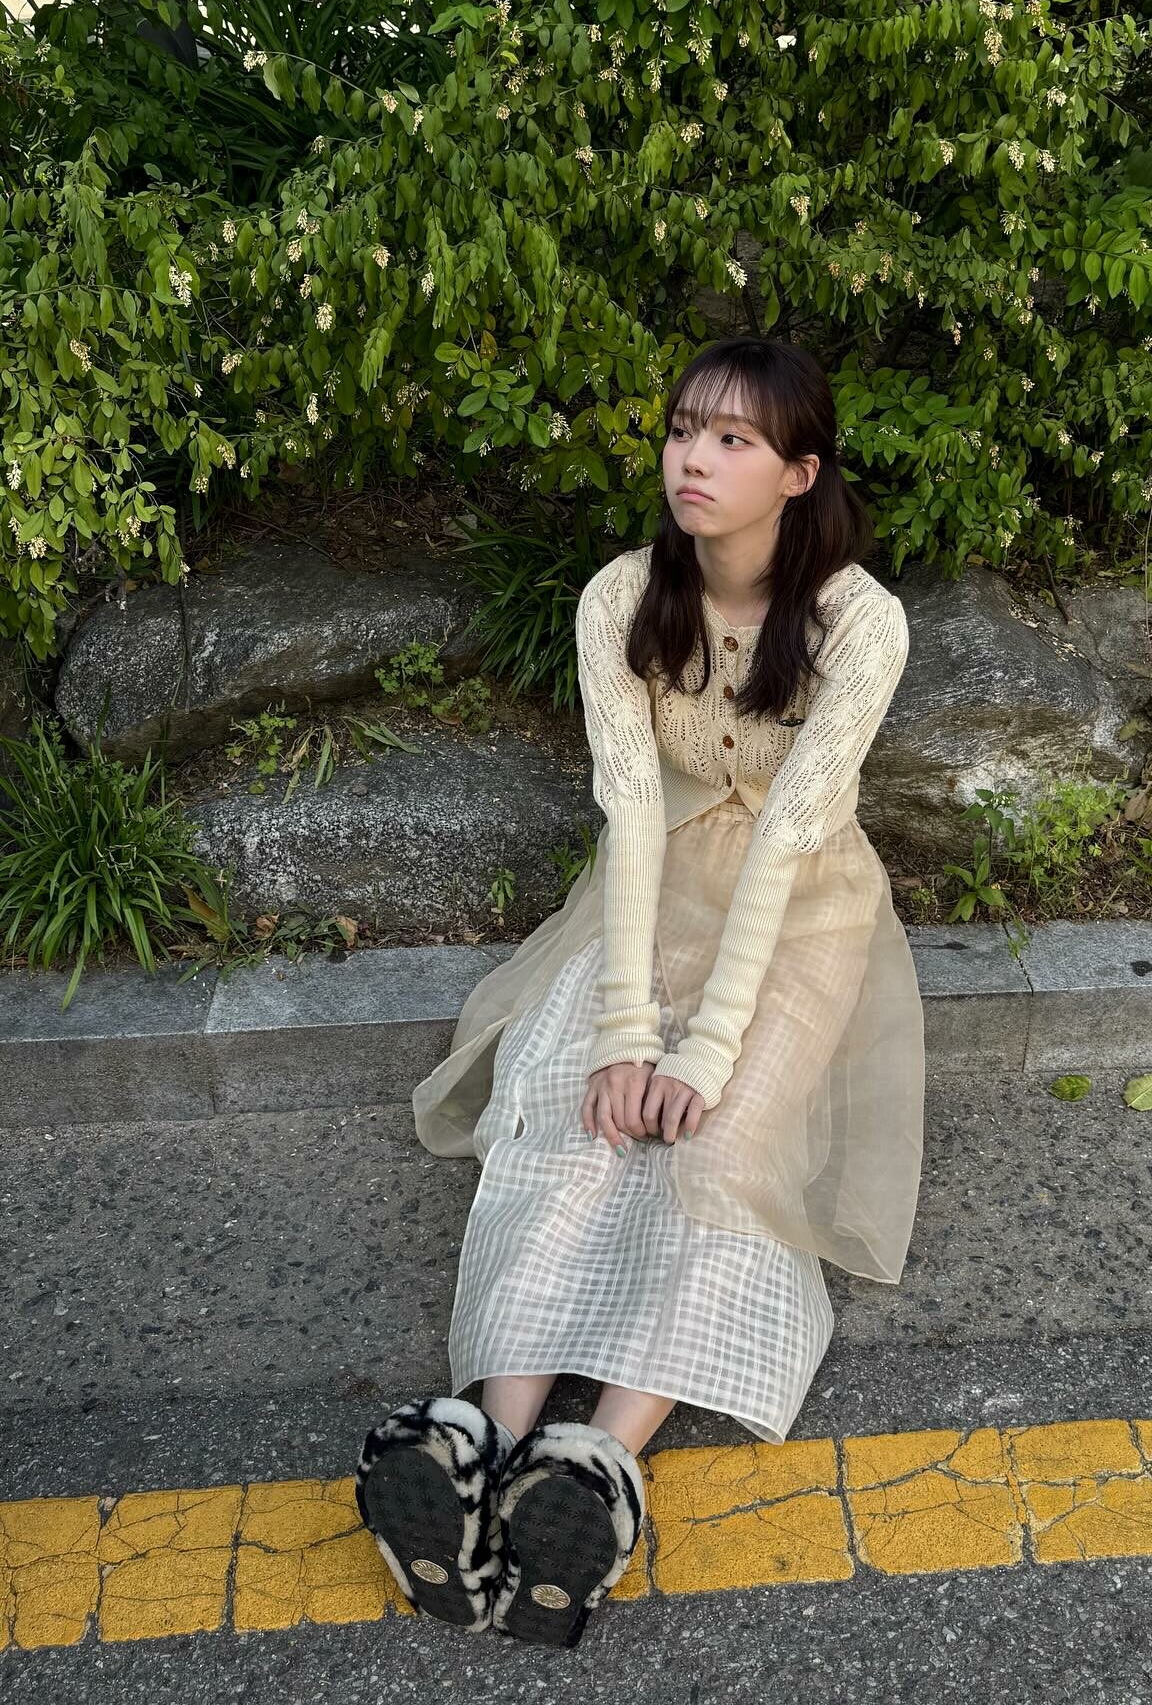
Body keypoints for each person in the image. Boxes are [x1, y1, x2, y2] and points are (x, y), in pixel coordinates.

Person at [353, 337, 926, 1649]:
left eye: (733, 440)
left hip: (802, 915)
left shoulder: (861, 622)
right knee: (570, 1120)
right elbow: (628, 808)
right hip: (650, 888)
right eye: (682, 430)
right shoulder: (622, 595)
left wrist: (702, 1053)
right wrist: (623, 1034)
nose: (693, 460)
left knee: (717, 1155)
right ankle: (480, 1444)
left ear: (799, 474)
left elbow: (792, 835)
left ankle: (595, 1469)